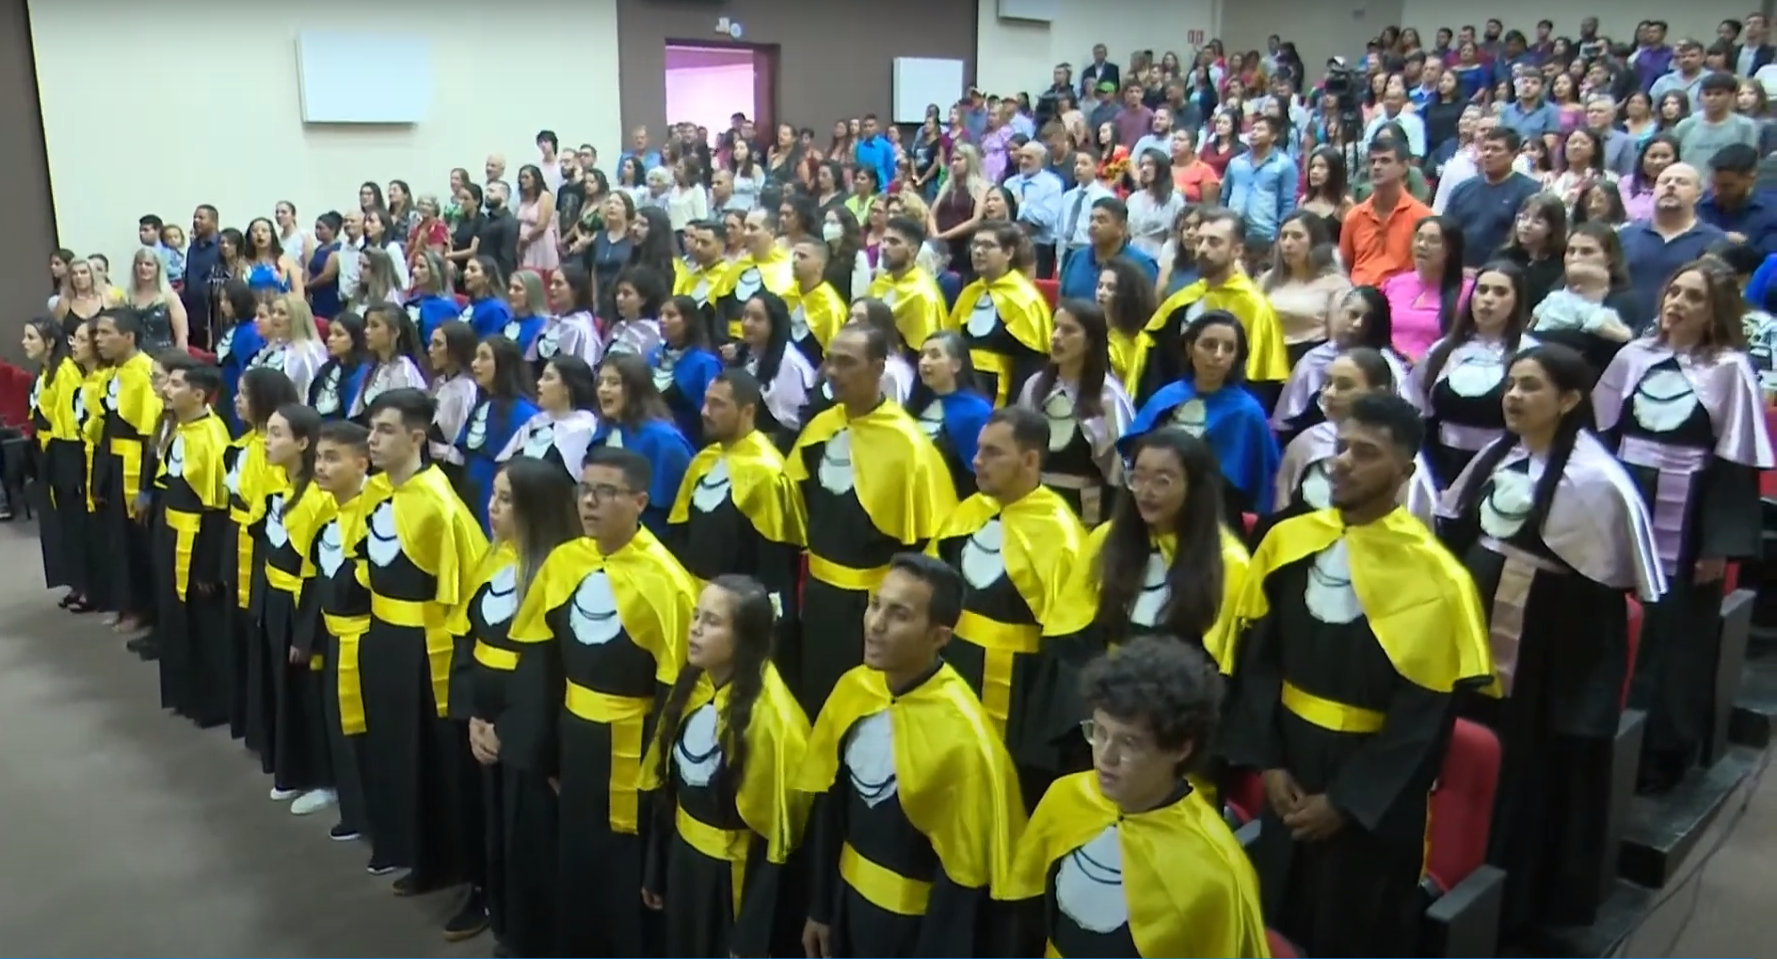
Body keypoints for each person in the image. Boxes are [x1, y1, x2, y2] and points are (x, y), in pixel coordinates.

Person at [1224, 392, 1495, 958]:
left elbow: (1424, 721)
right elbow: (1260, 664)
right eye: (1342, 447)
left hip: (1370, 797)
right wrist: (1269, 765)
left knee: (1352, 930)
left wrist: (1346, 802)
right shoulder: (1286, 542)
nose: (1343, 462)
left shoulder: (1437, 579)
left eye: (1366, 453)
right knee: (1273, 918)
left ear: (1405, 472)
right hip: (1289, 767)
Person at [1438, 344, 1666, 930]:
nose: (1513, 396)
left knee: (1526, 768)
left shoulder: (1594, 481)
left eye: (1531, 386)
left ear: (1569, 400)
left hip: (1545, 655)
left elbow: (1601, 608)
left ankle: (1514, 902)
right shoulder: (1500, 453)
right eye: (1511, 384)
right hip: (1479, 630)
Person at [504, 446, 700, 956]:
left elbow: (677, 692)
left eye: (605, 492)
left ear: (639, 501)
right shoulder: (566, 560)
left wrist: (656, 778)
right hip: (573, 737)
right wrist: (542, 750)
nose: (589, 502)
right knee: (577, 864)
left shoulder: (666, 580)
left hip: (632, 752)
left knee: (625, 875)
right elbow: (541, 662)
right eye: (584, 490)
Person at [1593, 261, 1774, 793]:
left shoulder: (1729, 369)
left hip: (1689, 514)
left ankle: (1659, 750)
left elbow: (1734, 464)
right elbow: (1601, 440)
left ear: (1715, 310)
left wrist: (1718, 546)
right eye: (1673, 291)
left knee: (1670, 636)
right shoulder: (1633, 356)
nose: (1676, 303)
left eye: (1693, 297)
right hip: (1626, 502)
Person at [795, 553, 1027, 958]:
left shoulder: (964, 740)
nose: (876, 624)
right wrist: (820, 908)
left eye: (899, 614)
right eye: (875, 605)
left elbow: (961, 880)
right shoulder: (855, 689)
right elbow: (829, 806)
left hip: (910, 934)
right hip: (844, 910)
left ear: (939, 636)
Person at [1004, 637, 1270, 959]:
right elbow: (1026, 918)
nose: (1105, 757)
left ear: (1180, 747)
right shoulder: (1067, 797)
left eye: (1129, 743)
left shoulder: (1214, 871)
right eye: (1099, 732)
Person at [352, 388, 488, 898]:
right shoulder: (376, 491)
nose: (373, 439)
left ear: (417, 436)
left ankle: (443, 863)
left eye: (385, 430)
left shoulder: (439, 504)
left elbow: (466, 591)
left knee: (431, 762)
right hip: (383, 635)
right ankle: (403, 843)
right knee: (393, 749)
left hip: (425, 651)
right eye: (371, 429)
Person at [786, 322, 959, 713]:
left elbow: (925, 540)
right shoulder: (821, 427)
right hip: (816, 594)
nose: (833, 372)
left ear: (879, 368)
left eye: (847, 363)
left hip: (869, 607)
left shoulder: (907, 445)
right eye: (830, 361)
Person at [639, 575, 815, 957]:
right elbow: (669, 790)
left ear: (746, 640)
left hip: (730, 886)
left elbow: (778, 847)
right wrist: (658, 866)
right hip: (685, 868)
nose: (696, 630)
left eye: (713, 622)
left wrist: (749, 937)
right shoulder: (695, 686)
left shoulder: (772, 721)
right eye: (696, 617)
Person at [450, 458, 581, 957]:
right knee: (494, 832)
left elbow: (551, 672)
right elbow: (466, 637)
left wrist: (512, 731)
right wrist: (475, 717)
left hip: (530, 735)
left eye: (506, 499)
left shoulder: (559, 571)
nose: (492, 506)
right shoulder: (495, 557)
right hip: (488, 725)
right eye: (494, 495)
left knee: (532, 841)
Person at [926, 406, 1086, 793]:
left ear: (1030, 460)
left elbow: (1069, 648)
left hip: (1018, 701)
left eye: (993, 453)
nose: (977, 462)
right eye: (979, 450)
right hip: (951, 677)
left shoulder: (1060, 534)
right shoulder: (970, 510)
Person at [666, 369, 806, 630]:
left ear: (748, 411)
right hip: (694, 599)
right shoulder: (704, 460)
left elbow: (775, 562)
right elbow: (680, 532)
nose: (705, 412)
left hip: (738, 614)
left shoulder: (767, 473)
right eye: (706, 401)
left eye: (718, 404)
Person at [256, 402, 342, 819]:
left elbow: (317, 575)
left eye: (276, 434)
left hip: (301, 605)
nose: (267, 441)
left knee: (310, 695)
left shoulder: (316, 501)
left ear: (303, 442)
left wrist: (305, 633)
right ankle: (296, 770)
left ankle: (325, 779)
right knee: (285, 691)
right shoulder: (283, 486)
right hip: (276, 596)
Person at [1123, 311, 1280, 526]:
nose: (1218, 355)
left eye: (1229, 348)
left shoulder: (1248, 412)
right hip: (1158, 509)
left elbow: (1262, 480)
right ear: (1190, 349)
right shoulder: (1166, 398)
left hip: (1216, 516)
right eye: (1209, 345)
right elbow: (1136, 454)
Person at [1268, 348, 1438, 537]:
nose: (1330, 393)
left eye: (1345, 385)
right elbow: (1281, 510)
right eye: (1328, 383)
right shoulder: (1307, 441)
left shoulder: (1400, 453)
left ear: (1378, 392)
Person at [150, 357, 232, 728]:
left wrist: (209, 565)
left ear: (199, 394)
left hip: (198, 541)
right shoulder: (180, 429)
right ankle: (183, 692)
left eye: (176, 384)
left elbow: (217, 506)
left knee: (203, 620)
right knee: (174, 614)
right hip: (171, 531)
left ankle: (211, 701)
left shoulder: (212, 436)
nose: (167, 389)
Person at [225, 367, 298, 748]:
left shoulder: (269, 453)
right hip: (238, 544)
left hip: (261, 555)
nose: (236, 400)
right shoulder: (248, 443)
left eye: (244, 393)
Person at [310, 420, 374, 847]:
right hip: (334, 633)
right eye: (318, 457)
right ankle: (353, 807)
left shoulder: (377, 511)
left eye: (332, 458)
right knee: (339, 726)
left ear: (362, 462)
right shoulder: (326, 507)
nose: (321, 467)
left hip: (369, 641)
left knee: (367, 733)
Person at [92, 307, 164, 636]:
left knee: (137, 540)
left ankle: (144, 609)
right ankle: (126, 604)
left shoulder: (144, 371)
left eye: (106, 333)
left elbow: (150, 435)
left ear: (129, 336)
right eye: (96, 333)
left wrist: (145, 487)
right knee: (116, 538)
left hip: (135, 462)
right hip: (112, 457)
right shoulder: (113, 372)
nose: (98, 339)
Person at [948, 220, 1055, 407]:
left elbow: (1032, 365)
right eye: (976, 244)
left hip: (1001, 397)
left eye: (988, 245)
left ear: (1008, 253)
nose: (979, 251)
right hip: (963, 389)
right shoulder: (969, 293)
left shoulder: (1025, 299)